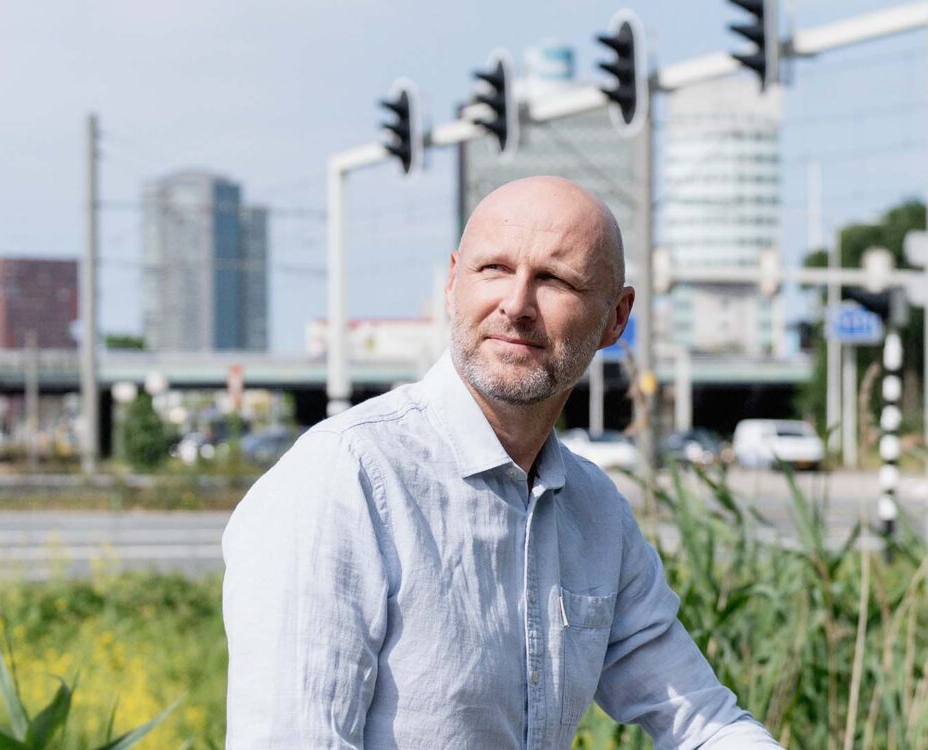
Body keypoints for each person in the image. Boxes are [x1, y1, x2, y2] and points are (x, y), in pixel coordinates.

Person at [221, 176, 783, 748]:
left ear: (616, 317)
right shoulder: (346, 478)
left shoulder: (595, 513)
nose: (516, 305)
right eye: (493, 270)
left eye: (555, 279)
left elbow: (703, 724)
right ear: (451, 282)